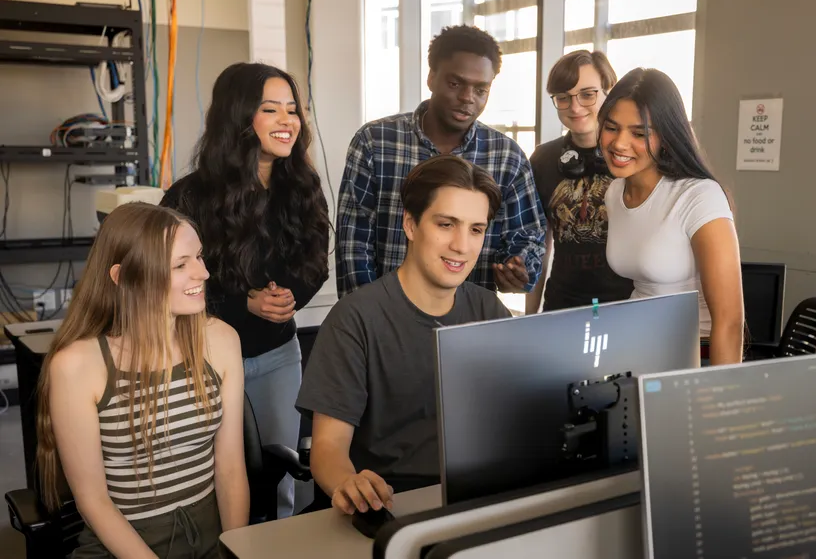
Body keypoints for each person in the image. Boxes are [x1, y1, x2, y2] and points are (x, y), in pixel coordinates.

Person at [297, 155, 512, 515]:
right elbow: (328, 448)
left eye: (476, 230)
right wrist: (349, 484)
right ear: (410, 225)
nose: (462, 245)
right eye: (446, 224)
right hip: (389, 502)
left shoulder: (489, 311)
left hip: (472, 497)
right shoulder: (355, 318)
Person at [160, 62, 330, 517]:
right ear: (238, 118)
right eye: (270, 109)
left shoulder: (303, 187)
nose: (287, 120)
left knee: (280, 478)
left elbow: (315, 263)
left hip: (278, 355)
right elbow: (168, 282)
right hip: (202, 355)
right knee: (208, 479)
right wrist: (244, 303)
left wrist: (289, 299)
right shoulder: (189, 197)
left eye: (292, 109)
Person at [36, 202, 248, 559]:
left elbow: (230, 469)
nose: (203, 273)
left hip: (210, 538)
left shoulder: (221, 340)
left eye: (199, 257)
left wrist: (235, 552)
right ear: (123, 277)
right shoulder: (77, 365)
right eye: (180, 265)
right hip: (124, 546)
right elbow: (93, 501)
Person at [335, 24, 546, 299]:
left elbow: (527, 237)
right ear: (431, 78)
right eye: (455, 84)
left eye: (481, 89)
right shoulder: (375, 142)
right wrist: (368, 314)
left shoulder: (508, 157)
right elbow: (354, 243)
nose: (467, 98)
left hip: (471, 317)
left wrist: (517, 270)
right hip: (386, 312)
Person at [598, 68, 744, 365]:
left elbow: (730, 322)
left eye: (639, 133)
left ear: (666, 137)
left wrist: (719, 390)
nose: (619, 144)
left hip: (695, 355)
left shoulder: (699, 196)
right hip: (636, 348)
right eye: (611, 128)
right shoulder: (614, 192)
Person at [526, 50, 633, 314]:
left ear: (609, 91)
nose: (575, 107)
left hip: (628, 305)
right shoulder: (542, 159)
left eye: (587, 94)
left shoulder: (632, 155)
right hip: (562, 306)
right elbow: (540, 246)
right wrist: (529, 317)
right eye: (563, 97)